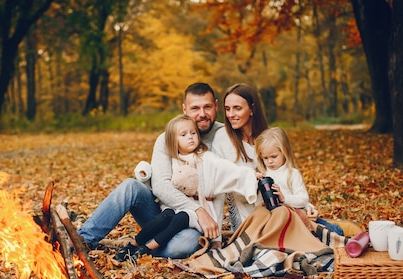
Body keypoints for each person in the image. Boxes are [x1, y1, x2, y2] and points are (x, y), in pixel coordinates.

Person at [77, 83, 224, 259]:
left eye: (207, 107)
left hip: (192, 227)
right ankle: (83, 240)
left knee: (185, 244)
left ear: (216, 105)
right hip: (162, 216)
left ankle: (143, 248)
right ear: (184, 109)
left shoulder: (224, 137)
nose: (202, 114)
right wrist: (199, 210)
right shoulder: (167, 139)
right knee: (130, 186)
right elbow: (161, 186)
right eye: (195, 108)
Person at [114, 114, 258, 261]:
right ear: (173, 141)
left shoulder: (206, 157)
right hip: (175, 208)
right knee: (166, 216)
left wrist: (250, 175)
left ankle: (145, 249)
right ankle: (132, 245)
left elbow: (227, 169)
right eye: (184, 134)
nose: (190, 137)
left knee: (182, 217)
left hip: (199, 212)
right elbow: (157, 184)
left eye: (193, 133)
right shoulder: (173, 159)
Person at [255, 127, 343, 235]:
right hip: (280, 221)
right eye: (265, 158)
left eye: (274, 156)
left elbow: (303, 199)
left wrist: (284, 199)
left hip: (299, 216)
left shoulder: (292, 174)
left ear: (284, 152)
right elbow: (258, 204)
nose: (270, 161)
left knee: (335, 232)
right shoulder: (263, 175)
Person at [211, 83, 269, 230]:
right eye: (227, 109)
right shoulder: (222, 138)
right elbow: (217, 181)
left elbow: (286, 174)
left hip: (276, 208)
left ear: (252, 109)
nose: (231, 114)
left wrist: (305, 205)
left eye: (237, 108)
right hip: (245, 219)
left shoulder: (268, 138)